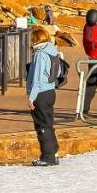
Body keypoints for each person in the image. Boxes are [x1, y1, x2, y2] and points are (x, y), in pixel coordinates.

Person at [26, 26, 61, 166]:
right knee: (48, 123)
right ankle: (53, 150)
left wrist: (31, 96)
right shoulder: (52, 51)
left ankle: (48, 157)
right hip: (50, 91)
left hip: (40, 93)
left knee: (42, 125)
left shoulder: (40, 54)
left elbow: (38, 78)